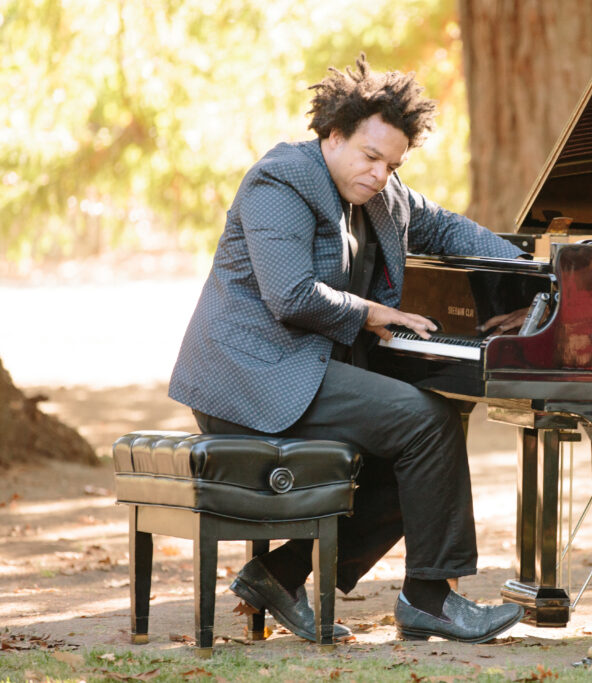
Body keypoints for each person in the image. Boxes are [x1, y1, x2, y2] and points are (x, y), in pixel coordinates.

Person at [168, 55, 527, 644]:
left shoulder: (381, 196)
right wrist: (373, 313)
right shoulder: (279, 182)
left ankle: (281, 574)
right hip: (252, 378)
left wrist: (544, 269)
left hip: (305, 374)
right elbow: (290, 295)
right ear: (333, 136)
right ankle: (431, 600)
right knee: (426, 422)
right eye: (370, 157)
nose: (381, 174)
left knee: (437, 425)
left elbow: (451, 228)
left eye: (392, 164)